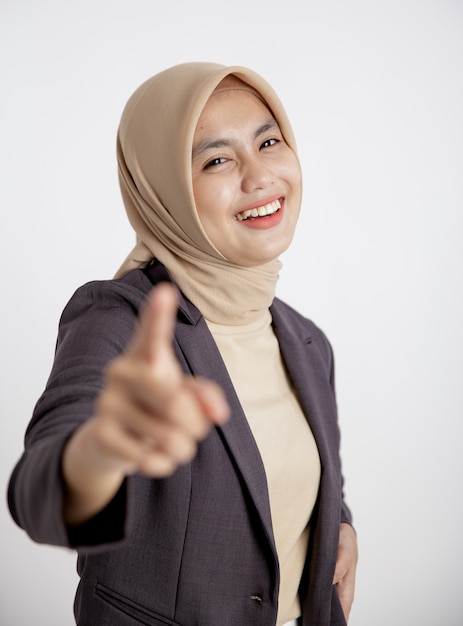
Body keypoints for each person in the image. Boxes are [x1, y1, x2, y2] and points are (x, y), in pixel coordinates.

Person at [7, 62, 358, 626]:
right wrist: (102, 448)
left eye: (269, 141)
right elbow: (41, 494)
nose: (260, 175)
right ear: (163, 185)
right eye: (217, 159)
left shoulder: (306, 340)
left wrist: (337, 522)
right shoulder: (119, 319)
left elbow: (289, 468)